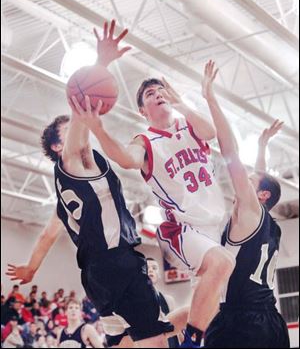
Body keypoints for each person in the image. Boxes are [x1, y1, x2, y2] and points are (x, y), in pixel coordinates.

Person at [6, 20, 174, 348]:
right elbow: (79, 140)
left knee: (125, 341)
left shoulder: (69, 192)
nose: (79, 125)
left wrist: (31, 267)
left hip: (98, 276)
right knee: (155, 340)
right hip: (116, 263)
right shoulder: (70, 164)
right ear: (57, 146)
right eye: (70, 126)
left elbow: (47, 236)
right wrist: (101, 65)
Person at [73, 20, 235, 348]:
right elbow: (125, 158)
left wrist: (183, 102)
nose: (157, 94)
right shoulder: (145, 139)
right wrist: (100, 131)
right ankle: (190, 343)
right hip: (184, 227)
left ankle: (145, 336)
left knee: (218, 305)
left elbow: (210, 132)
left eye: (161, 90)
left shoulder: (190, 126)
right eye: (150, 94)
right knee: (221, 264)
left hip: (219, 224)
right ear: (143, 111)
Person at [200, 60, 290, 348]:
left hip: (241, 323)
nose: (243, 182)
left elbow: (229, 151)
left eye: (250, 181)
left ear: (262, 195)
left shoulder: (250, 211)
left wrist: (210, 98)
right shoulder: (268, 224)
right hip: (271, 322)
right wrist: (262, 147)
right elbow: (261, 182)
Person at [146, 258, 180, 348]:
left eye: (154, 268)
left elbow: (177, 329)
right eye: (146, 267)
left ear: (159, 274)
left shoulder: (169, 300)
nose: (150, 270)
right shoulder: (134, 301)